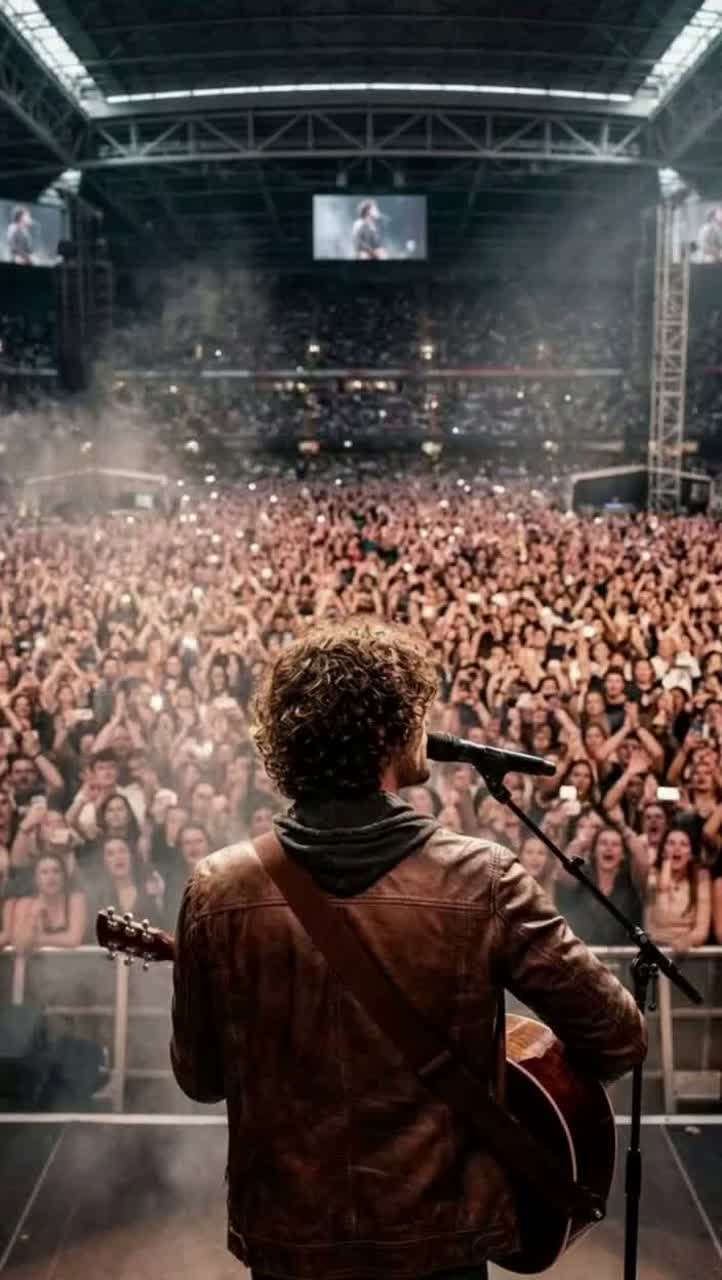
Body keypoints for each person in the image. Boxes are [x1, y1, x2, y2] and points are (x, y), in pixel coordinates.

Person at [170, 621, 646, 1280]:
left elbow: (199, 1079)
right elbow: (618, 1038)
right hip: (441, 1242)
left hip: (289, 1242)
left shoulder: (218, 887)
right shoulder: (481, 878)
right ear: (388, 733)